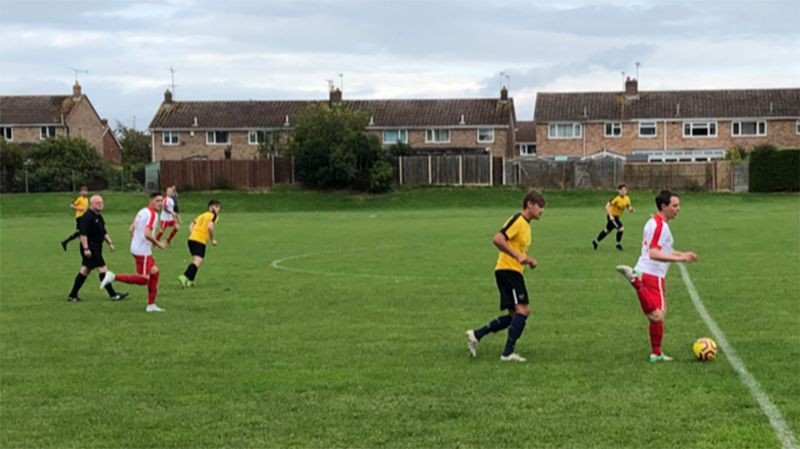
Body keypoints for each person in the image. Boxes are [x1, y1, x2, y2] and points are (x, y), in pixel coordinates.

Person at [615, 190, 699, 363]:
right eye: (674, 206)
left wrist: (681, 254)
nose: (678, 209)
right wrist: (679, 259)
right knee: (657, 316)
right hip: (652, 273)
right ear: (664, 206)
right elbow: (654, 253)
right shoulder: (660, 226)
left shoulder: (655, 222)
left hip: (649, 271)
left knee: (658, 317)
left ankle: (656, 353)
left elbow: (662, 249)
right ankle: (635, 281)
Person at [465, 191, 545, 362]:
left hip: (510, 270)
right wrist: (517, 256)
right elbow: (498, 239)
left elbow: (517, 249)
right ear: (529, 204)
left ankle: (476, 334)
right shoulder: (518, 220)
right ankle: (507, 354)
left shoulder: (527, 226)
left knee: (514, 316)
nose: (542, 210)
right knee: (523, 311)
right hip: (508, 270)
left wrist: (527, 259)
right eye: (540, 206)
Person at [100, 193, 167, 312]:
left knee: (155, 272)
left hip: (136, 248)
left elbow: (131, 229)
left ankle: (151, 305)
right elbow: (147, 233)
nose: (160, 203)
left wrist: (137, 241)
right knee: (144, 279)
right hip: (143, 252)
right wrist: (158, 244)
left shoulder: (142, 211)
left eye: (161, 201)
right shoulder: (153, 214)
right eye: (157, 201)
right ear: (151, 200)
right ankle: (113, 277)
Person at [66, 194, 128, 302]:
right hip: (90, 247)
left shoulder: (98, 216)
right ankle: (113, 295)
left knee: (85, 270)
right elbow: (83, 234)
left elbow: (103, 231)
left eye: (102, 203)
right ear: (92, 204)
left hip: (97, 246)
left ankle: (72, 295)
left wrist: (110, 242)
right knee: (103, 269)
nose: (100, 205)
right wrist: (86, 249)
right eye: (98, 203)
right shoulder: (87, 217)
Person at [178, 200, 221, 288]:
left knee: (196, 261)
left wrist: (194, 234)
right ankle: (184, 276)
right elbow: (210, 227)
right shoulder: (214, 216)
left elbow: (191, 225)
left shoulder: (202, 215)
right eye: (216, 207)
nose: (218, 209)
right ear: (211, 207)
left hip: (191, 239)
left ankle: (190, 281)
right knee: (197, 261)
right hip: (199, 241)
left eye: (219, 207)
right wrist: (212, 239)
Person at [593, 184, 635, 251]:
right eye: (622, 190)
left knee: (607, 230)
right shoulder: (616, 198)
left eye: (625, 190)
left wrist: (631, 209)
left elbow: (628, 206)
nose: (624, 191)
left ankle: (596, 241)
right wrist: (610, 216)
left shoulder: (627, 198)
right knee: (621, 229)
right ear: (619, 191)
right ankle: (618, 244)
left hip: (617, 217)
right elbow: (607, 207)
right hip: (612, 217)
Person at [61, 186, 89, 251]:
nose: (85, 192)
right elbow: (72, 205)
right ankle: (85, 245)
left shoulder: (86, 199)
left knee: (79, 232)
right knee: (81, 231)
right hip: (80, 217)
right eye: (83, 191)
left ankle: (65, 242)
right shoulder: (79, 199)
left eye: (86, 191)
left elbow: (85, 208)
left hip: (84, 217)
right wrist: (78, 208)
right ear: (81, 192)